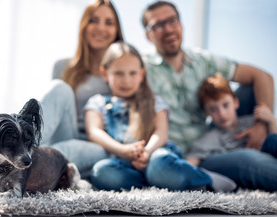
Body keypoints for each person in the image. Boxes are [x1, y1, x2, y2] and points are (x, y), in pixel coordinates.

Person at [0, 0, 124, 189]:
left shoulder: (125, 71)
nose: (101, 27)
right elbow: (50, 115)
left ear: (117, 28)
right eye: (94, 20)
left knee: (56, 153)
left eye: (109, 22)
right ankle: (14, 155)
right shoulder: (64, 66)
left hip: (99, 145)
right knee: (59, 88)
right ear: (84, 24)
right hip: (61, 135)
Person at [141, 1, 276, 191]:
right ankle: (205, 180)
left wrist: (261, 127)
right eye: (159, 25)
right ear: (148, 35)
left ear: (181, 23)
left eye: (172, 21)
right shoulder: (140, 69)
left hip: (219, 142)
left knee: (250, 93)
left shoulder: (202, 60)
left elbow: (263, 77)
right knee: (249, 160)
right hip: (189, 156)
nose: (168, 29)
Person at [84, 42, 236, 192]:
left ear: (142, 74)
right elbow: (94, 132)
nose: (126, 80)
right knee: (101, 171)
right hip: (124, 162)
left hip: (155, 154)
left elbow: (161, 133)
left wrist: (147, 152)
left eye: (132, 73)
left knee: (159, 165)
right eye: (119, 73)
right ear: (105, 73)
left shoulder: (154, 101)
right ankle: (157, 184)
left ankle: (207, 179)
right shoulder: (99, 102)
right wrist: (123, 150)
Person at [186, 74, 277, 192]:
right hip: (250, 168)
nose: (222, 114)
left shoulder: (252, 122)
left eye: (225, 105)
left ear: (236, 102)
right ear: (206, 113)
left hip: (268, 158)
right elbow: (191, 162)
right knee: (249, 157)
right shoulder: (212, 137)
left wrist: (271, 121)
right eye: (214, 109)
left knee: (272, 140)